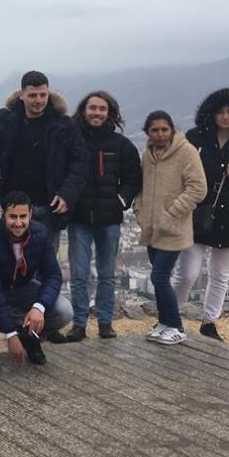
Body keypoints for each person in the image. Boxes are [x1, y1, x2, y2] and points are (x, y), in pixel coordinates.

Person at [171, 89, 229, 341]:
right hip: (196, 214)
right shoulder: (195, 138)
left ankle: (209, 322)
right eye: (220, 112)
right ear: (211, 114)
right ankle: (170, 316)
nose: (225, 117)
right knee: (187, 273)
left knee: (220, 275)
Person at [65, 92, 142, 341]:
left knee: (107, 274)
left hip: (109, 218)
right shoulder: (72, 141)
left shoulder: (121, 145)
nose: (97, 113)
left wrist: (121, 200)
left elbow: (133, 177)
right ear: (84, 110)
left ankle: (105, 322)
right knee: (79, 275)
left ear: (109, 113)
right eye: (93, 108)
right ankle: (79, 323)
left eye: (102, 109)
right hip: (79, 218)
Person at [0, 191, 74, 367]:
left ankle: (30, 337)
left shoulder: (40, 233)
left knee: (64, 311)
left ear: (30, 214)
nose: (18, 223)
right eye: (13, 217)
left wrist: (39, 307)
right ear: (3, 213)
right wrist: (10, 333)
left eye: (23, 216)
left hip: (23, 285)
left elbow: (53, 275)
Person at [0, 70, 88, 246]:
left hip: (50, 205)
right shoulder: (6, 119)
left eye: (43, 95)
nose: (38, 100)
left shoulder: (64, 124)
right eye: (32, 95)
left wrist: (67, 194)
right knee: (12, 256)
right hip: (15, 205)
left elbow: (80, 161)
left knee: (47, 257)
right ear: (22, 95)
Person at [133, 111, 207, 346]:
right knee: (159, 278)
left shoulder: (186, 152)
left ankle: (176, 325)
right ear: (148, 132)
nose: (160, 134)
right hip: (151, 229)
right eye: (155, 130)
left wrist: (172, 213)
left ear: (172, 129)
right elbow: (142, 187)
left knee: (159, 276)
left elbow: (198, 188)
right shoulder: (148, 155)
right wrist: (140, 211)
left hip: (174, 228)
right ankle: (164, 322)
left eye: (164, 129)